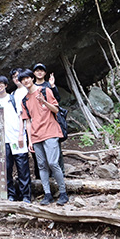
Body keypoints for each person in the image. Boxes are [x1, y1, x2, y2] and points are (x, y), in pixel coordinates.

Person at [19, 68, 69, 206]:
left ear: (32, 78)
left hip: (50, 131)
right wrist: (29, 140)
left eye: (27, 78)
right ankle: (47, 194)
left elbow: (56, 109)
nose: (25, 81)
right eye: (22, 80)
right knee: (41, 166)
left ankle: (63, 193)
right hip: (36, 135)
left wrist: (43, 101)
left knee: (53, 163)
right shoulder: (24, 100)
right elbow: (27, 121)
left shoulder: (45, 91)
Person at [0, 75, 31, 203]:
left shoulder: (13, 98)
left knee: (22, 168)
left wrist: (21, 134)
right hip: (4, 140)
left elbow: (21, 117)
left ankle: (26, 195)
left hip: (17, 138)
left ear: (6, 85)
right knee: (6, 168)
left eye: (2, 83)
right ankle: (11, 194)